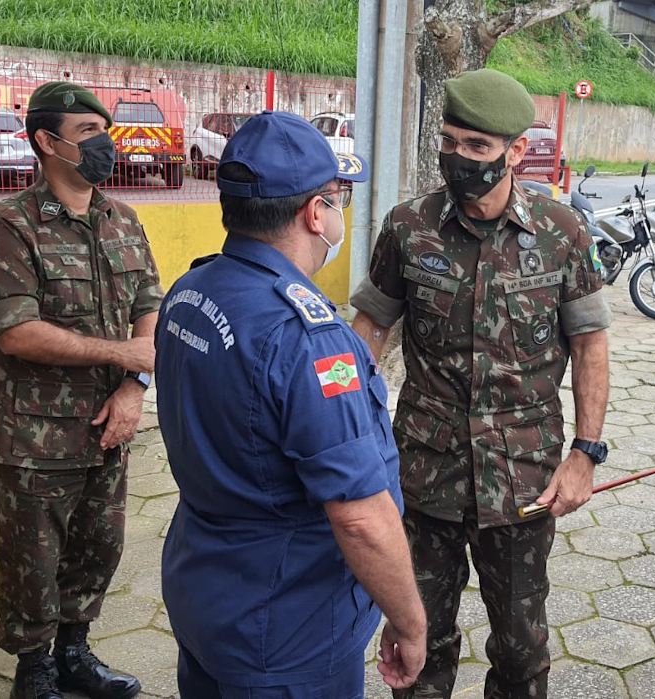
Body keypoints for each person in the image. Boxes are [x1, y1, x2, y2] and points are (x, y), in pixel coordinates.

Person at [350, 68, 612, 698]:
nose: (457, 159)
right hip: (423, 473)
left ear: (515, 151)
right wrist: (350, 432)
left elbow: (590, 344)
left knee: (522, 651)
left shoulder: (561, 232)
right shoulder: (409, 226)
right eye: (449, 141)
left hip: (522, 480)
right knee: (419, 643)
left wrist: (586, 453)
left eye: (476, 147)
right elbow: (368, 333)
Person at [154, 110, 427, 699]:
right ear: (314, 212)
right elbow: (358, 515)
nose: (338, 214)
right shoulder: (306, 337)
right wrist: (408, 620)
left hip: (205, 591)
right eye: (337, 198)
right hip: (285, 627)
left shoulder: (190, 292)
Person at [0, 81, 164, 699]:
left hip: (110, 423)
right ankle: (33, 673)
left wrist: (134, 386)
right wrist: (123, 354)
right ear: (46, 142)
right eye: (87, 133)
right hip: (35, 434)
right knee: (32, 562)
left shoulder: (122, 218)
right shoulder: (9, 226)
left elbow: (148, 305)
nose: (104, 143)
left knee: (98, 548)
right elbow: (17, 332)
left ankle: (76, 655)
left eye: (104, 131)